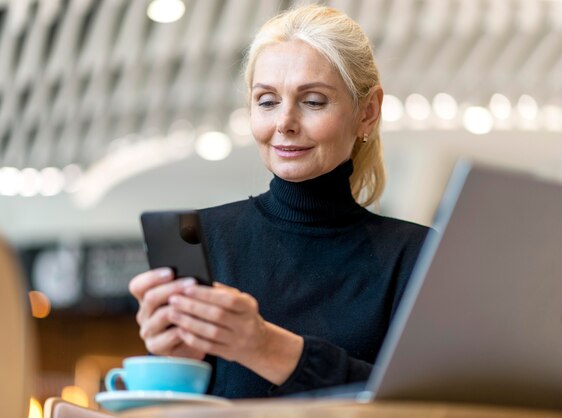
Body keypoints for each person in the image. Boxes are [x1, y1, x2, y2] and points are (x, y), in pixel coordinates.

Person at [129, 4, 430, 399]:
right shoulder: (204, 239)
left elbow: (428, 404)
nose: (283, 122)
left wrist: (266, 348)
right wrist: (178, 366)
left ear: (368, 113)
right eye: (267, 101)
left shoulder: (419, 257)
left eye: (314, 101)